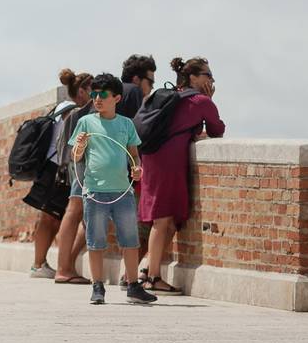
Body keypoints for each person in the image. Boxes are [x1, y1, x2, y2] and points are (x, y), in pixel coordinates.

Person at [138, 57, 225, 295]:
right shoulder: (200, 101)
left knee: (167, 220)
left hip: (153, 157)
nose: (211, 79)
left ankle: (146, 269)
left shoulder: (166, 96)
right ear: (193, 77)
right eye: (207, 75)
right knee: (162, 219)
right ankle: (153, 278)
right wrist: (210, 101)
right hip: (169, 162)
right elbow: (218, 129)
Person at [69, 73, 157, 305]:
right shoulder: (86, 123)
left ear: (116, 98)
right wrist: (80, 146)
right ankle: (97, 287)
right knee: (95, 241)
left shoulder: (126, 124)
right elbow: (76, 157)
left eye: (103, 94)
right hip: (94, 192)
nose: (97, 99)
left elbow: (134, 156)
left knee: (130, 240)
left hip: (123, 192)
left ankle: (133, 286)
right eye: (94, 94)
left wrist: (137, 170)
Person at [52, 69, 95, 284]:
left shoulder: (77, 114)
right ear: (82, 91)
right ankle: (63, 268)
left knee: (80, 214)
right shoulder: (81, 114)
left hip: (78, 168)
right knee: (74, 210)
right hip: (82, 168)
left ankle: (66, 264)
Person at [25, 99, 77, 278]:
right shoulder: (71, 111)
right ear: (81, 91)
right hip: (56, 169)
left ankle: (40, 263)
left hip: (49, 167)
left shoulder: (62, 107)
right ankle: (38, 264)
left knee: (51, 219)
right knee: (49, 219)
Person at [116, 54, 156, 286]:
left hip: (111, 168)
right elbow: (136, 130)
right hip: (129, 169)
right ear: (136, 78)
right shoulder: (132, 92)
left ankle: (126, 274)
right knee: (138, 224)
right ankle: (129, 276)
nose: (151, 88)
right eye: (149, 82)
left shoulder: (115, 92)